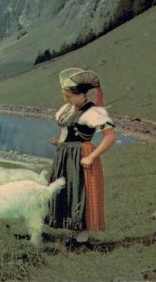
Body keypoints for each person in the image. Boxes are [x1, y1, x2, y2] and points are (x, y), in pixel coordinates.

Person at [46, 68, 117, 249]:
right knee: (68, 193)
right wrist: (60, 142)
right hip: (65, 155)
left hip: (81, 157)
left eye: (69, 97)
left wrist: (92, 156)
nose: (67, 101)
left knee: (81, 194)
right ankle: (76, 237)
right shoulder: (70, 108)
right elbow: (68, 130)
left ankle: (82, 241)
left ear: (81, 94)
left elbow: (110, 137)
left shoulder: (93, 112)